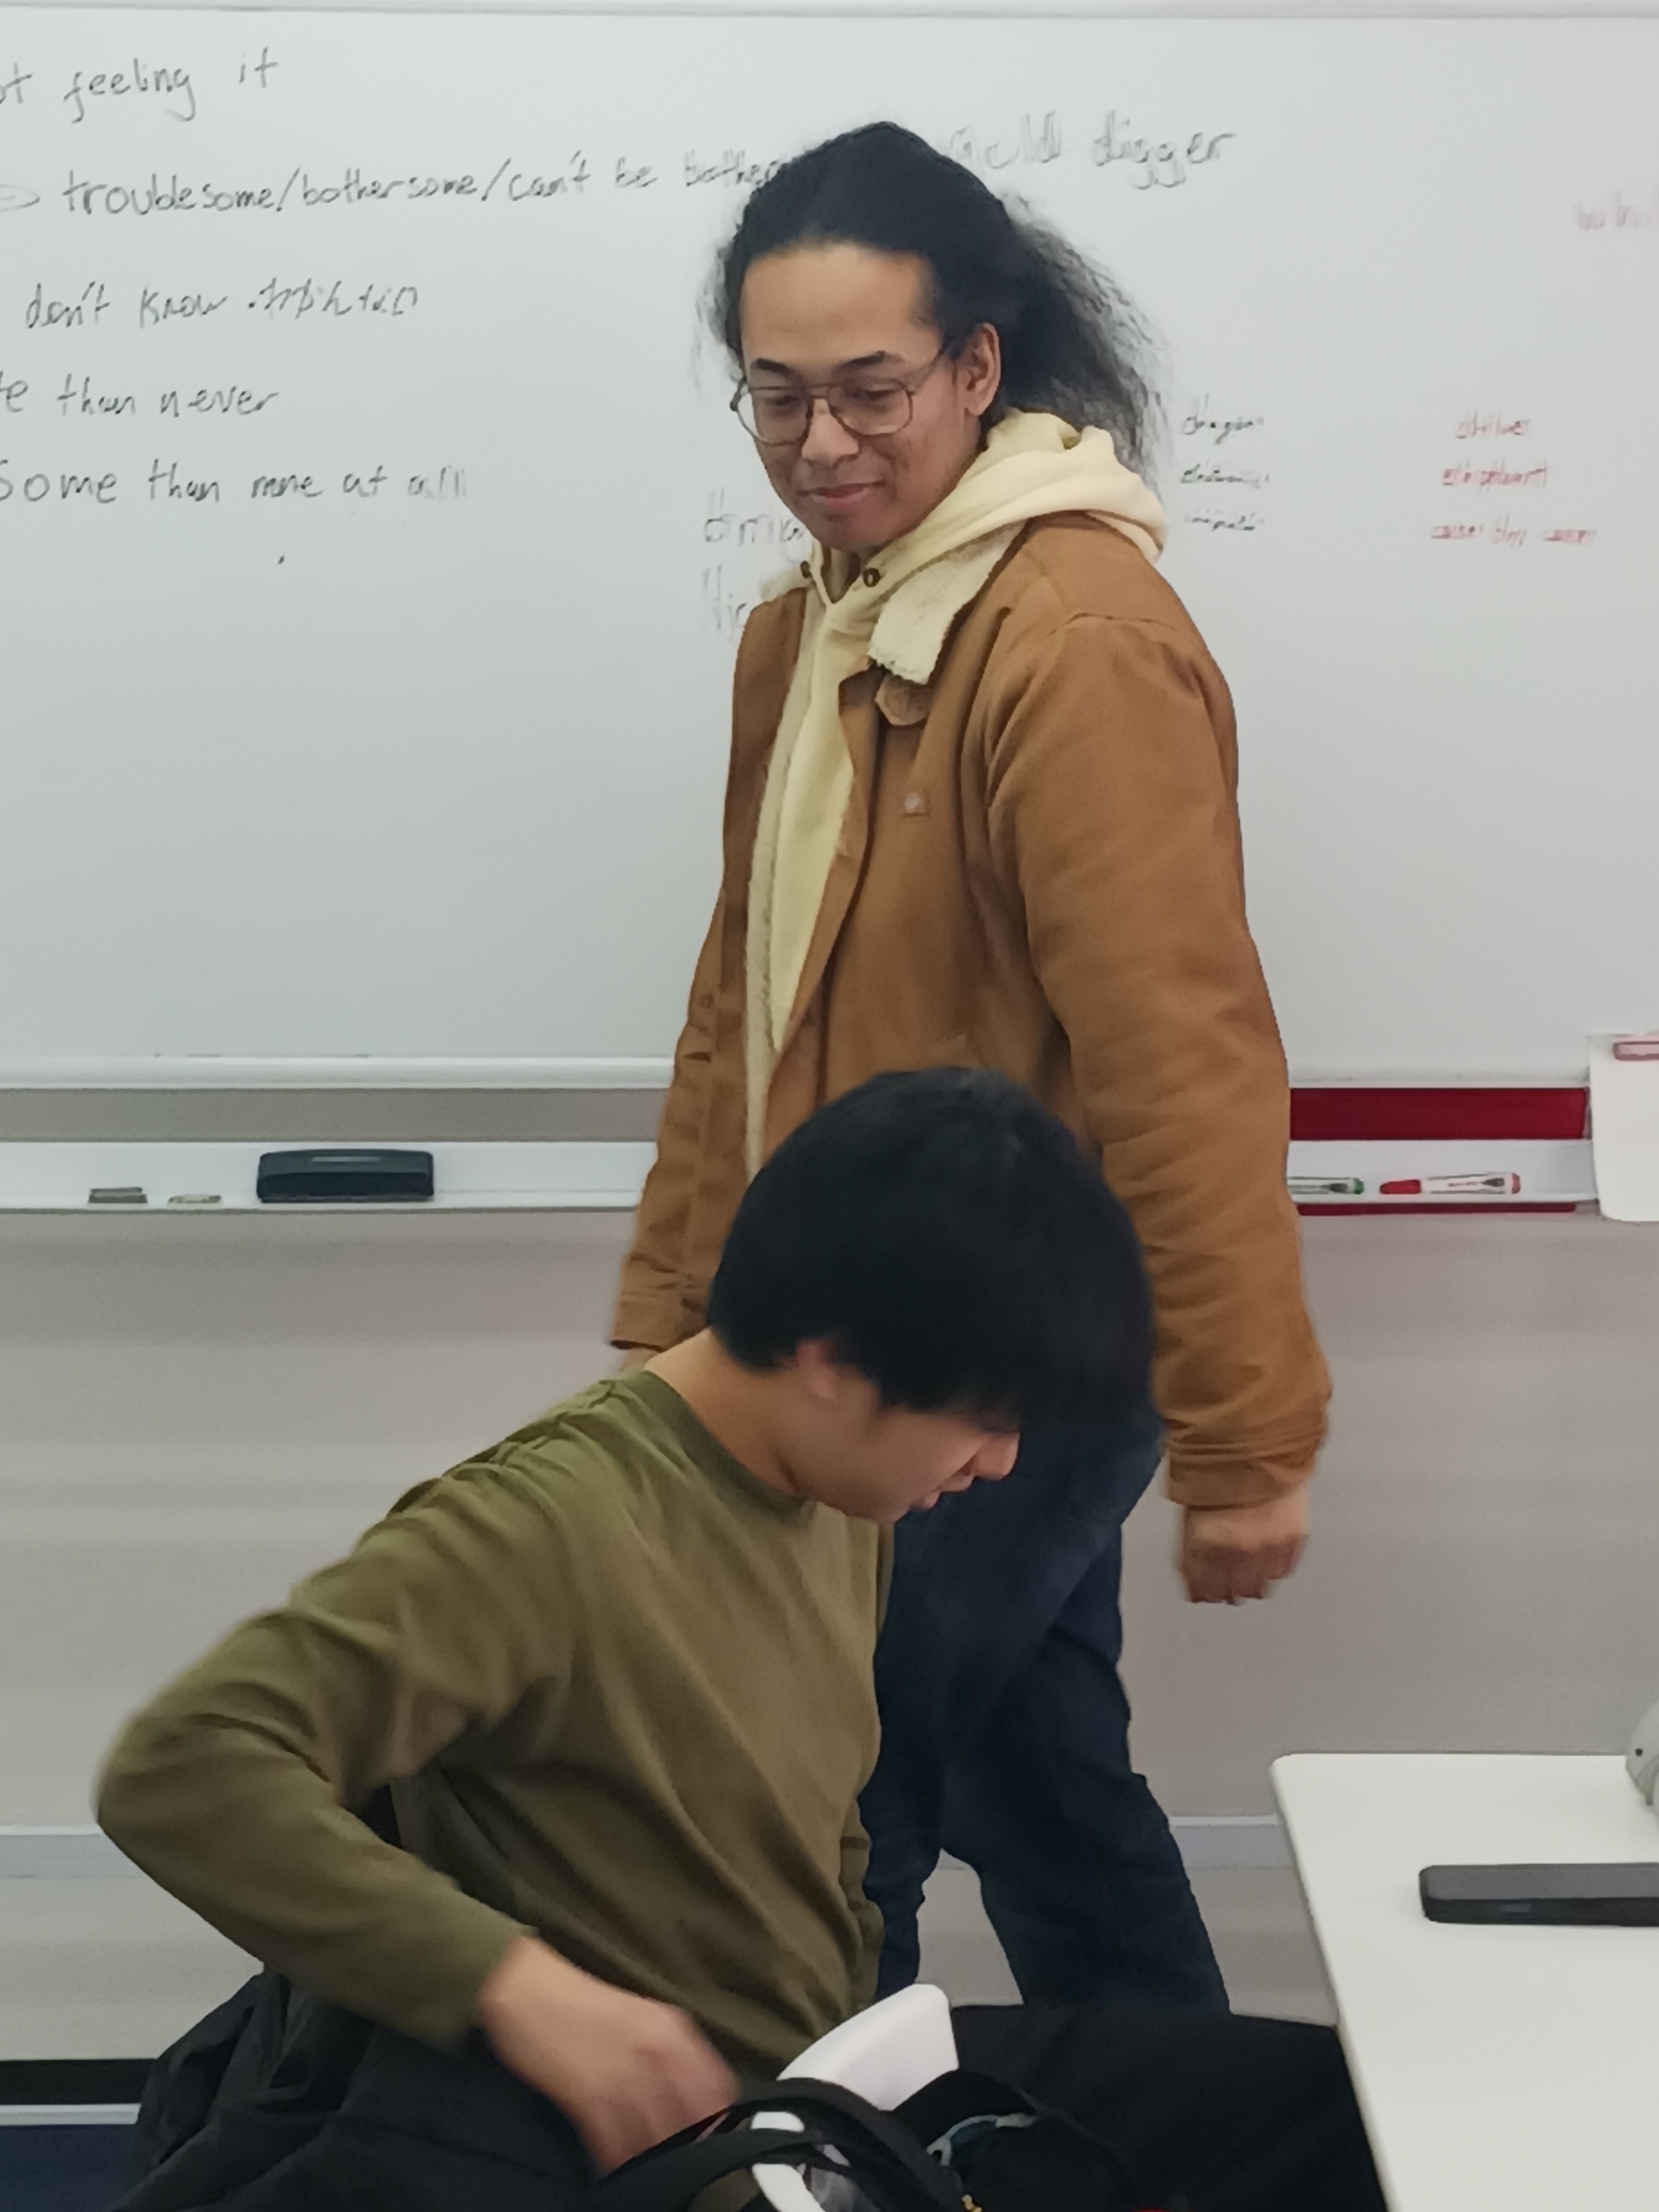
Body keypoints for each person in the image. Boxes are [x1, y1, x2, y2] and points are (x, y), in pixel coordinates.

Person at [99, 1072, 1381, 2212]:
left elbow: (826, 1833)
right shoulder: (542, 1530)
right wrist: (526, 1994)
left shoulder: (843, 1496)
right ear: (830, 1360)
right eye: (982, 1421)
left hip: (818, 2087)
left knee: (1345, 2110)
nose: (999, 1464)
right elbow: (186, 1766)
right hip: (656, 2141)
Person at [613, 121, 1329, 2011]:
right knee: (1043, 1786)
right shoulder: (816, 624)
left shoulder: (1066, 641)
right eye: (777, 398)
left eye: (871, 390)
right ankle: (1177, 2130)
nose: (821, 444)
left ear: (978, 367)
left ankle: (816, 2142)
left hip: (1002, 1364)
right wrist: (674, 1323)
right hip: (862, 1334)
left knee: (825, 1807)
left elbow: (1181, 1059)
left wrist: (1246, 1440)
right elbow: (743, 1003)